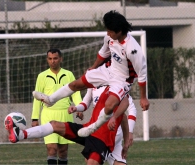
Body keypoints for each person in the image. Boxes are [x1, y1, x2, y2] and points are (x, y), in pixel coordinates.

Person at [33, 10, 149, 138]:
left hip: (123, 80)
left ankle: (92, 127)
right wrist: (92, 68)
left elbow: (142, 75)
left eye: (110, 31)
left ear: (119, 31)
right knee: (77, 83)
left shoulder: (133, 49)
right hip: (108, 69)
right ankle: (51, 99)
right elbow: (103, 53)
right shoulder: (109, 38)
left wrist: (143, 98)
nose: (107, 33)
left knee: (109, 105)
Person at [5, 86, 129, 165]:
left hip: (103, 138)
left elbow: (125, 105)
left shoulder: (118, 85)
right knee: (55, 125)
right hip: (89, 129)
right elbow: (85, 102)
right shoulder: (96, 80)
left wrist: (127, 139)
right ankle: (20, 134)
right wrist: (76, 108)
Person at [31, 48, 82, 165]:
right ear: (47, 60)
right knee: (52, 149)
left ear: (60, 59)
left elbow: (75, 93)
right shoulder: (42, 76)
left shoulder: (68, 74)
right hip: (48, 114)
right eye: (50, 59)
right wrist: (34, 118)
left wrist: (79, 107)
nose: (52, 61)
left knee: (63, 151)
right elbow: (37, 98)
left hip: (65, 114)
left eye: (55, 58)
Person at [71, 85, 137, 165]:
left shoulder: (116, 87)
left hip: (114, 136)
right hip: (98, 136)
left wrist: (130, 131)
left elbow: (131, 109)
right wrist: (77, 108)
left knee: (92, 160)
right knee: (90, 160)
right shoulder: (93, 84)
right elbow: (86, 102)